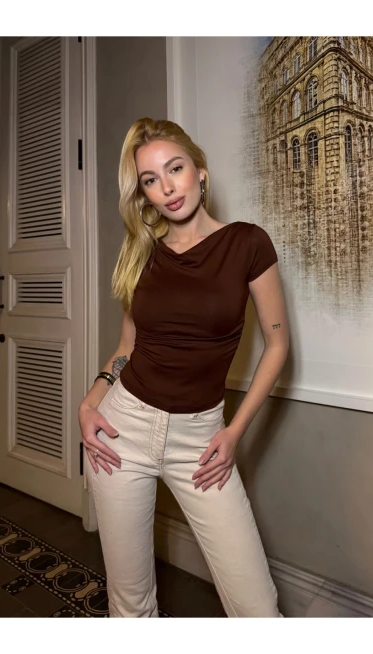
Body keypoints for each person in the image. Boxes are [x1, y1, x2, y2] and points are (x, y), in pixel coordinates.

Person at [78, 117, 289, 618]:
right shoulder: (141, 254)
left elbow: (278, 345)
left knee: (258, 612)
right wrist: (90, 402)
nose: (167, 187)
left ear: (200, 171)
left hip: (201, 440)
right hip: (122, 431)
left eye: (175, 169)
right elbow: (127, 345)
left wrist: (234, 432)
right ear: (144, 194)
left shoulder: (247, 243)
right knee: (131, 608)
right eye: (151, 179)